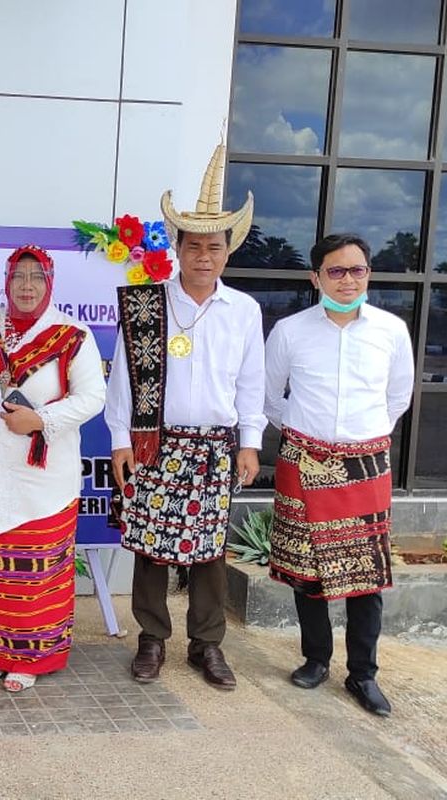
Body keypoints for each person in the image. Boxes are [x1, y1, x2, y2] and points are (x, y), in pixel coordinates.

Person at [106, 139, 265, 690]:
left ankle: (207, 645)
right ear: (177, 247)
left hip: (215, 446)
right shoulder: (146, 302)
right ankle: (151, 639)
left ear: (228, 251)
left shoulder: (244, 311)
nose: (204, 255)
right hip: (154, 442)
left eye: (214, 247)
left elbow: (252, 382)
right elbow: (122, 377)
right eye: (194, 245)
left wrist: (250, 441)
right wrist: (120, 441)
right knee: (151, 549)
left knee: (210, 551)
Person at [0, 245, 106, 692]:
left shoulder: (72, 335)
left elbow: (93, 397)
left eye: (37, 277)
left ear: (50, 282)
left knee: (35, 573)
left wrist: (42, 421)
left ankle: (32, 659)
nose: (28, 286)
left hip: (44, 482)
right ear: (7, 281)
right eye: (19, 277)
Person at [265, 233, 414, 717]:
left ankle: (363, 674)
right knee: (308, 575)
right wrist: (312, 442)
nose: (348, 279)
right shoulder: (290, 330)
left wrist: (356, 442)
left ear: (368, 274)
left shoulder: (391, 330)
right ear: (316, 277)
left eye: (357, 270)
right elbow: (270, 397)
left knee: (365, 580)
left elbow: (398, 399)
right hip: (304, 462)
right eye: (336, 270)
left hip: (365, 465)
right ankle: (316, 660)